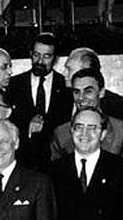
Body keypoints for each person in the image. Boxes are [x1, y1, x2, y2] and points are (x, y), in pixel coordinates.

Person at [7, 32, 73, 170]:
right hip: (22, 162)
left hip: (56, 163)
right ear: (31, 54)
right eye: (36, 55)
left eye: (46, 56)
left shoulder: (66, 86)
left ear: (55, 59)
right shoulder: (14, 85)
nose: (40, 62)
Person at [50, 68, 123, 161]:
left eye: (88, 91)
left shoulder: (121, 131)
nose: (81, 98)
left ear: (101, 92)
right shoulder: (61, 133)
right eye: (76, 92)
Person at [62, 46, 123, 123]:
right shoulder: (59, 100)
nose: (64, 73)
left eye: (69, 69)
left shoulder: (115, 104)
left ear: (86, 70)